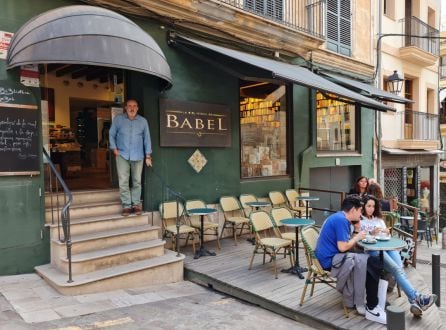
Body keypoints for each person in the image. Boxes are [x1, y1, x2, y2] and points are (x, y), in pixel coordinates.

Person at [360, 195, 437, 316]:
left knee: (399, 267)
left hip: (387, 247)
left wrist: (386, 232)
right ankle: (417, 298)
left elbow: (387, 237)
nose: (371, 208)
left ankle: (414, 301)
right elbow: (359, 239)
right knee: (396, 269)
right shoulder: (360, 220)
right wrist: (371, 233)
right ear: (363, 206)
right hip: (372, 250)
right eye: (368, 206)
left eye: (373, 206)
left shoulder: (379, 219)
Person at [315, 195, 386, 324]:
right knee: (372, 263)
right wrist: (357, 237)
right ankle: (371, 306)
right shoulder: (342, 221)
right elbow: (342, 247)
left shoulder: (339, 217)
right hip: (329, 261)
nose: (361, 214)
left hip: (330, 257)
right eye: (360, 210)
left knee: (371, 262)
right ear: (353, 209)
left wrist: (357, 233)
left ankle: (371, 302)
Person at [109, 99, 152, 216]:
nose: (132, 108)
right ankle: (126, 206)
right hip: (122, 154)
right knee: (123, 181)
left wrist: (148, 155)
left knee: (137, 181)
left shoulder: (143, 121)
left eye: (134, 106)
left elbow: (147, 139)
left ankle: (136, 204)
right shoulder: (118, 119)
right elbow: (111, 134)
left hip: (138, 155)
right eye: (129, 106)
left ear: (137, 108)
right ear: (125, 108)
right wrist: (114, 149)